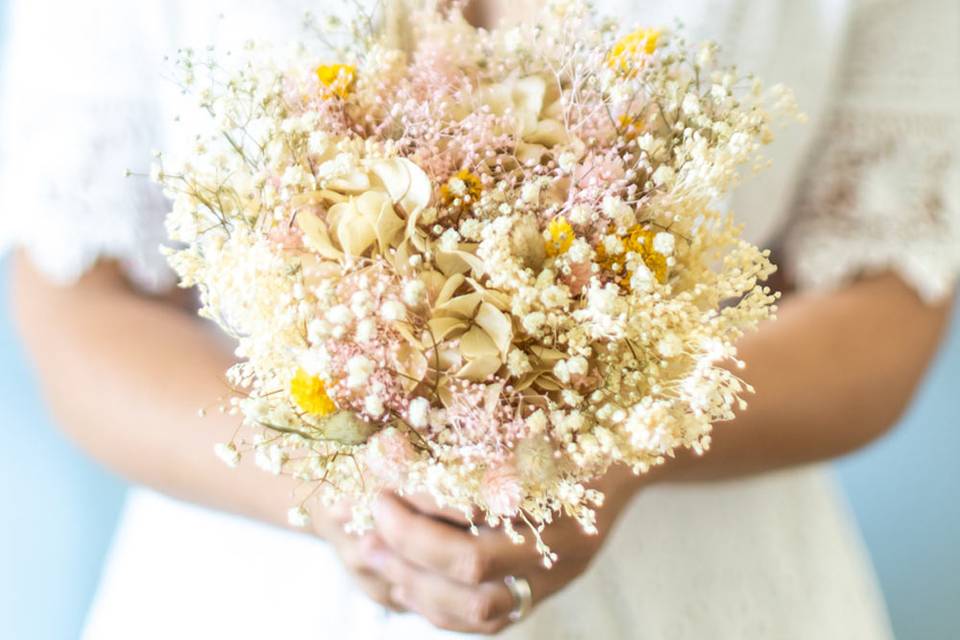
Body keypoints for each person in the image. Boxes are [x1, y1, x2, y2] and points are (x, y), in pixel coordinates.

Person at [2, 0, 957, 637]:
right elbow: (75, 288)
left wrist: (632, 445)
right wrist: (336, 492)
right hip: (247, 588)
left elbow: (892, 291)